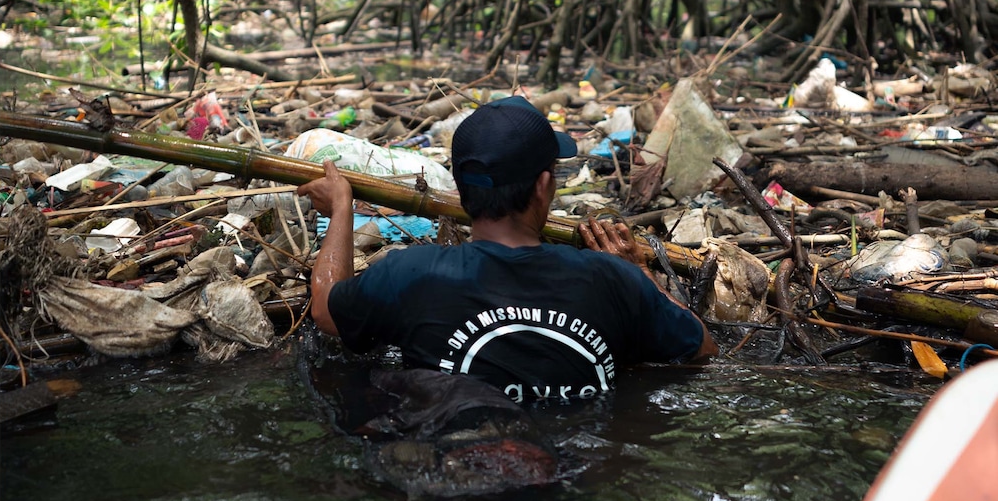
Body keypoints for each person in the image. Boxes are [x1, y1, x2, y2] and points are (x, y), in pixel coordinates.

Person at [296, 96, 717, 403]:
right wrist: (637, 273)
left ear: (459, 190)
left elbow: (325, 309)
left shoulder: (410, 273)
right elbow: (701, 351)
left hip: (446, 460)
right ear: (544, 186)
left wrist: (340, 207)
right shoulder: (612, 279)